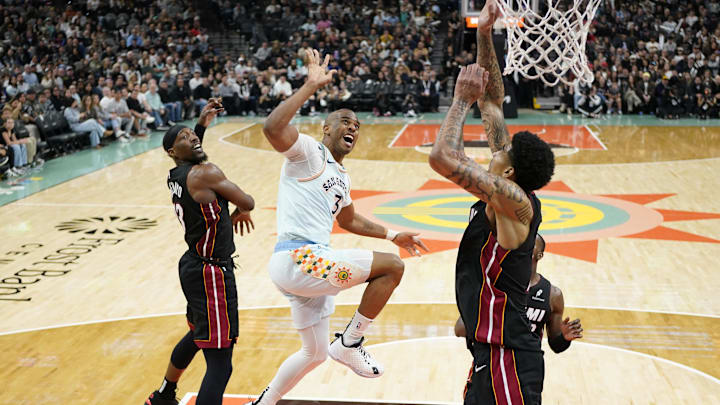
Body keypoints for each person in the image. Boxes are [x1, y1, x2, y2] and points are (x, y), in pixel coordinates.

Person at [247, 49, 428, 405]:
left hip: (304, 268)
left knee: (313, 354)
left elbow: (348, 220)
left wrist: (394, 235)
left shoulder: (340, 176)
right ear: (326, 128)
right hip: (301, 257)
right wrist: (310, 86)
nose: (353, 128)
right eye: (345, 121)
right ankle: (351, 342)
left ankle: (262, 403)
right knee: (392, 266)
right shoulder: (309, 153)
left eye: (357, 126)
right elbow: (272, 128)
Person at [427, 2, 555, 404]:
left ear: (511, 173)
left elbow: (442, 158)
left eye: (506, 150)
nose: (499, 146)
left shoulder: (514, 199)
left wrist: (460, 100)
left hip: (510, 356)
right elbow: (494, 103)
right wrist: (484, 35)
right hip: (490, 352)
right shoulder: (506, 181)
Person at [144, 98, 255, 405]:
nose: (191, 138)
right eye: (184, 138)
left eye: (191, 136)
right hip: (212, 274)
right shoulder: (206, 173)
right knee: (221, 364)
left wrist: (201, 127)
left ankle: (164, 394)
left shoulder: (176, 175)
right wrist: (240, 209)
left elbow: (190, 160)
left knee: (197, 334)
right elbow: (247, 201)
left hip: (193, 265)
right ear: (171, 151)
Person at [454, 235, 584, 401]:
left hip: (526, 370)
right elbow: (460, 328)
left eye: (530, 244)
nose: (524, 246)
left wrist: (564, 338)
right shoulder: (495, 286)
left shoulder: (552, 295)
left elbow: (556, 345)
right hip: (490, 364)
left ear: (540, 255)